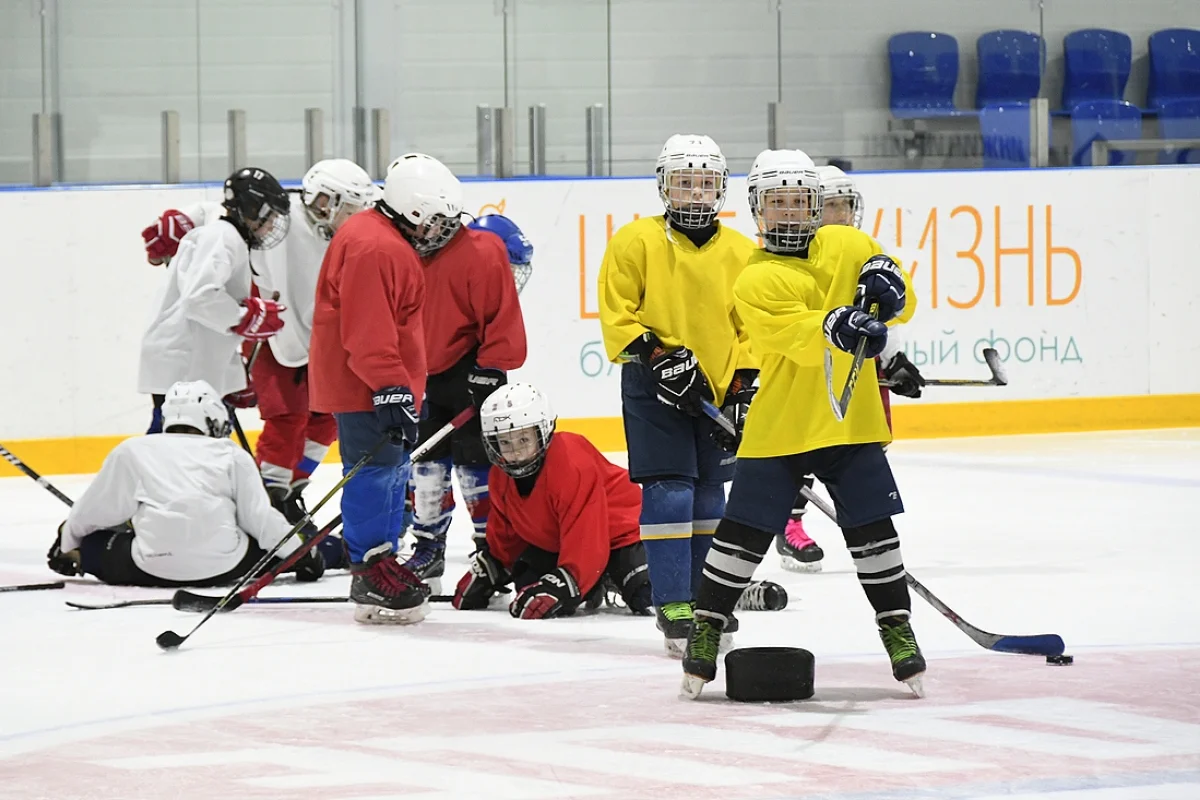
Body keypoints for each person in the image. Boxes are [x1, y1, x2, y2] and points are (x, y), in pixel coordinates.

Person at [680, 149, 926, 699]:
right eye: (778, 203)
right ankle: (707, 626)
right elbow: (800, 340)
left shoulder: (849, 244)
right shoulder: (755, 278)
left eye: (799, 201)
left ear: (817, 204)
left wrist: (892, 287)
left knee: (874, 532)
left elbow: (900, 303)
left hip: (851, 424)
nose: (789, 212)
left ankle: (897, 629)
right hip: (782, 427)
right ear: (757, 209)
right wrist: (838, 323)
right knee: (742, 535)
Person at [141, 161, 379, 556]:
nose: (353, 216)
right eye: (347, 207)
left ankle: (286, 493)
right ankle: (267, 496)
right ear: (324, 199)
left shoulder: (352, 232)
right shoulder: (274, 216)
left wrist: (232, 370)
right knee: (284, 418)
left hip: (318, 341)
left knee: (327, 419)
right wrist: (185, 218)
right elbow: (218, 214)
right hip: (274, 336)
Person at [598, 133, 758, 657]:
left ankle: (708, 599)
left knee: (711, 492)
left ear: (721, 189)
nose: (694, 194)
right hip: (653, 388)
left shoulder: (742, 252)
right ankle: (673, 602)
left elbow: (751, 328)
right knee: (671, 490)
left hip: (717, 391)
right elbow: (618, 313)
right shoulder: (635, 241)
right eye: (684, 183)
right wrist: (657, 356)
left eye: (704, 184)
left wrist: (742, 385)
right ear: (664, 187)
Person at [308, 152, 446, 625]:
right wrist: (389, 386)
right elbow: (369, 330)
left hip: (378, 382)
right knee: (372, 473)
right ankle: (368, 568)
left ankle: (381, 558)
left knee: (390, 470)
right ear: (412, 207)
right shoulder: (375, 247)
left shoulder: (381, 238)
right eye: (433, 218)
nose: (436, 229)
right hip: (366, 385)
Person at [775, 164, 925, 574]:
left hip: (857, 373)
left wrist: (894, 361)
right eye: (831, 206)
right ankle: (790, 523)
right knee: (803, 450)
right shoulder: (796, 254)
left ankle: (867, 529)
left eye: (845, 205)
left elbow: (886, 313)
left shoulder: (864, 248)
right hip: (809, 372)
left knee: (865, 450)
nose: (840, 214)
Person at [46, 380, 323, 587]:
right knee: (275, 544)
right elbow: (260, 521)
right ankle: (330, 551)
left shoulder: (133, 450)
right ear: (213, 420)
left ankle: (81, 557)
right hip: (226, 568)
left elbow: (93, 512)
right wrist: (302, 554)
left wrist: (67, 543)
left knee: (93, 542)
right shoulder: (231, 454)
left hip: (145, 568)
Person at [400, 202, 528, 593]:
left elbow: (500, 319)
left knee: (479, 467)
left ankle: (492, 549)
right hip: (422, 374)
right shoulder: (410, 254)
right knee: (425, 468)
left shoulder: (478, 253)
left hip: (470, 371)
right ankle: (428, 545)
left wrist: (491, 366)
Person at [451, 383, 651, 618]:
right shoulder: (500, 477)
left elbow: (587, 537)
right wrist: (493, 565)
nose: (516, 452)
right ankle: (593, 582)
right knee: (527, 585)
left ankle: (605, 577)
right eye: (504, 442)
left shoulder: (571, 463)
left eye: (523, 439)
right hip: (563, 543)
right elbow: (507, 535)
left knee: (647, 596)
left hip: (623, 535)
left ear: (543, 431)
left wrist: (569, 581)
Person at [137, 167, 291, 435]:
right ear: (253, 209)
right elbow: (199, 298)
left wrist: (232, 378)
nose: (271, 225)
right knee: (175, 446)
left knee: (195, 446)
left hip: (189, 363)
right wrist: (246, 317)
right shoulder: (221, 236)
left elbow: (210, 322)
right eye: (270, 215)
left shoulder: (229, 238)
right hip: (182, 366)